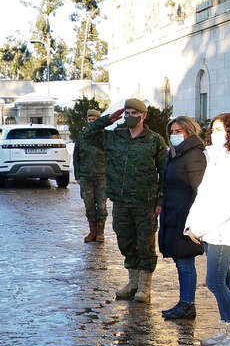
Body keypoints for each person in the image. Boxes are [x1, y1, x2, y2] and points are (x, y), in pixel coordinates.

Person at [184, 113, 230, 346]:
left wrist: (200, 227)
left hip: (224, 230)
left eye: (220, 129)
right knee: (223, 281)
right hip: (210, 230)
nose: (215, 134)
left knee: (215, 281)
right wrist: (193, 225)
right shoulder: (217, 157)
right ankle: (227, 328)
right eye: (213, 129)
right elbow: (204, 195)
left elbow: (228, 202)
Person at [85, 98, 168, 301]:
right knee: (125, 240)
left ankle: (144, 286)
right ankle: (133, 282)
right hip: (121, 200)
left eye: (134, 113)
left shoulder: (154, 140)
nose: (130, 117)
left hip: (145, 201)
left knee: (145, 242)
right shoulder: (115, 137)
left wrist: (160, 200)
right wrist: (106, 120)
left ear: (143, 115)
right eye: (127, 113)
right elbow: (87, 135)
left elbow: (165, 172)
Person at [158, 116, 207, 320]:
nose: (174, 135)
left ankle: (188, 304)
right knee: (180, 260)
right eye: (172, 132)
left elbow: (199, 189)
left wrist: (195, 220)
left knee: (185, 260)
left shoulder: (194, 155)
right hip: (173, 213)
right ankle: (184, 301)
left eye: (178, 131)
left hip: (185, 215)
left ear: (189, 132)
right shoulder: (175, 154)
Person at [72, 108, 108, 243]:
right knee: (89, 205)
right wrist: (77, 175)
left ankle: (100, 232)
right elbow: (76, 156)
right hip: (86, 176)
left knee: (101, 205)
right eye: (90, 120)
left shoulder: (104, 136)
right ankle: (92, 231)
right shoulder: (82, 135)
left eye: (95, 119)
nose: (92, 122)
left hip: (102, 176)